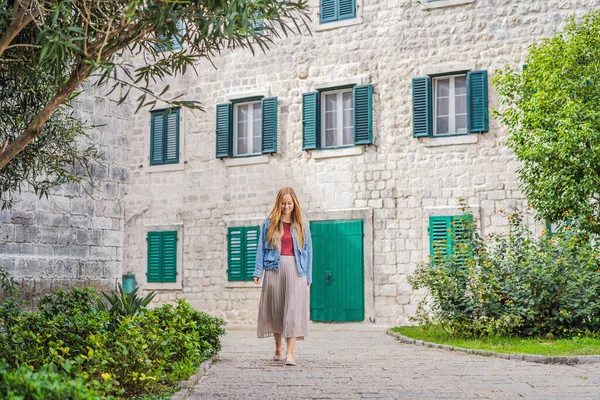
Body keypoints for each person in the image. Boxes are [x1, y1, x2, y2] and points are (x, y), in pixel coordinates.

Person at [253, 187, 312, 366]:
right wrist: (258, 271)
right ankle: (278, 347)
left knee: (293, 311)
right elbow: (260, 249)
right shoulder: (269, 224)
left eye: (289, 203)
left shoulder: (302, 226)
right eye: (283, 203)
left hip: (296, 270)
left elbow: (309, 252)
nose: (286, 206)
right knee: (276, 310)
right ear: (278, 204)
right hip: (274, 269)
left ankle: (290, 353)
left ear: (294, 204)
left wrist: (308, 276)